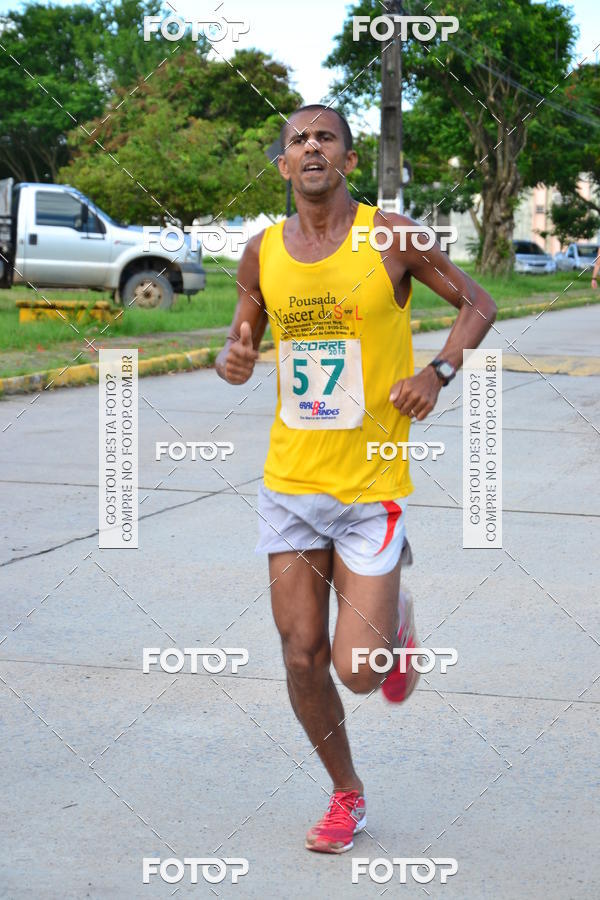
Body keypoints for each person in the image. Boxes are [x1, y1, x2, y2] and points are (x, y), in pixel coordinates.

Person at [216, 104, 497, 854]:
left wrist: (437, 372)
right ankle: (347, 794)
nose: (310, 147)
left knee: (362, 672)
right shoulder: (261, 251)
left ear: (347, 157)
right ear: (283, 165)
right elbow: (240, 333)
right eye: (297, 140)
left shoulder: (392, 237)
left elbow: (479, 302)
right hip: (291, 485)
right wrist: (233, 357)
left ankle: (395, 623)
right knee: (301, 655)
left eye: (325, 138)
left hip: (370, 491)